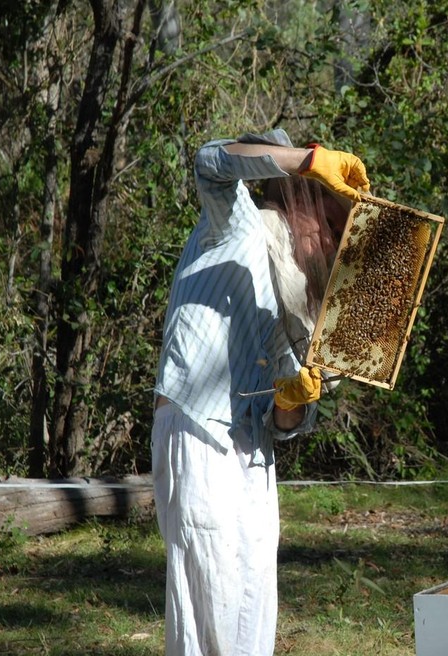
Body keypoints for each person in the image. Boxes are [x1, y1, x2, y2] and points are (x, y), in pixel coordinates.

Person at [151, 129, 370, 656]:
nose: (333, 242)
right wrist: (308, 159)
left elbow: (284, 421)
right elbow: (209, 160)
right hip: (199, 430)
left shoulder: (300, 301)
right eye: (333, 222)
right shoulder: (238, 223)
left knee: (252, 615)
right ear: (305, 197)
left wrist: (293, 403)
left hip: (253, 455)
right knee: (212, 614)